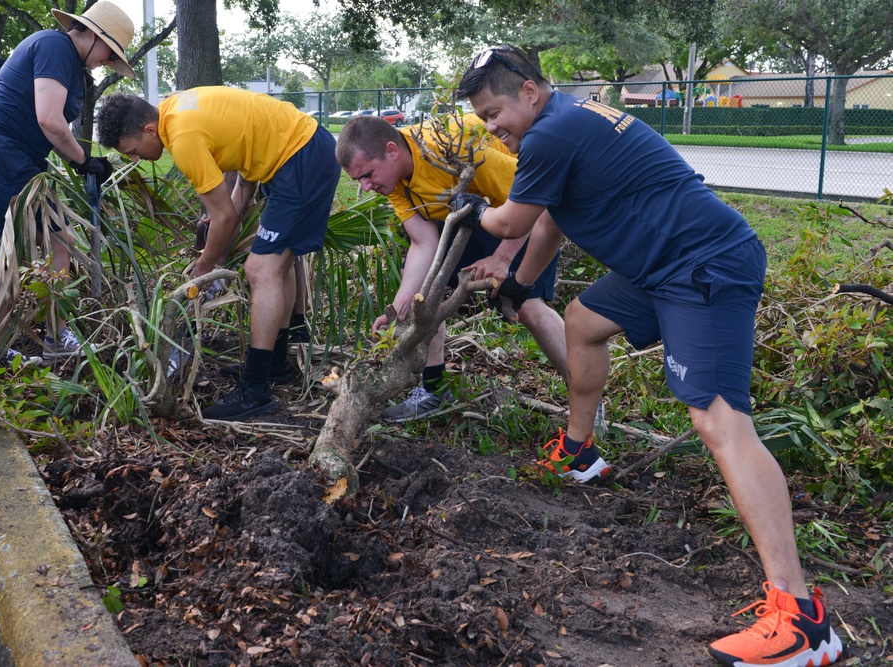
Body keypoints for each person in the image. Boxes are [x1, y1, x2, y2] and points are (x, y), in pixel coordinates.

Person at [450, 45, 842, 667]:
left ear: (528, 90)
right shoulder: (570, 122)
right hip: (660, 266)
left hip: (701, 264)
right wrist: (520, 281)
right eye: (483, 119)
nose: (492, 127)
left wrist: (470, 209)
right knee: (580, 321)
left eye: (495, 112)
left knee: (719, 419)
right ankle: (580, 453)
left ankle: (803, 621)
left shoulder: (553, 133)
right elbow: (551, 220)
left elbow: (510, 220)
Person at [96, 87, 340, 420]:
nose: (136, 159)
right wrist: (222, 239)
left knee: (260, 271)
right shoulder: (176, 109)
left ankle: (255, 392)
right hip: (299, 150)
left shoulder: (182, 138)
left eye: (134, 151)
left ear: (149, 130)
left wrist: (204, 269)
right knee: (278, 266)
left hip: (298, 157)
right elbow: (239, 181)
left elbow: (224, 219)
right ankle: (276, 366)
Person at [335, 114, 579, 429]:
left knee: (528, 307)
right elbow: (424, 242)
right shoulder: (394, 180)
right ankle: (433, 389)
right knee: (429, 294)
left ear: (392, 150)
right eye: (358, 180)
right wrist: (400, 307)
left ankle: (587, 399)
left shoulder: (457, 149)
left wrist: (503, 259)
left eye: (367, 174)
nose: (366, 187)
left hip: (518, 212)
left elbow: (533, 201)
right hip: (465, 216)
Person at [0, 1, 135, 362]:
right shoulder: (57, 47)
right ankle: (56, 338)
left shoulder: (51, 48)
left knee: (14, 250)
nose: (107, 62)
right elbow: (50, 121)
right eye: (110, 54)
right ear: (95, 36)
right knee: (60, 239)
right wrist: (86, 162)